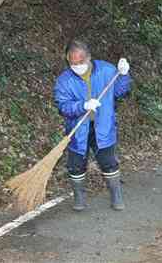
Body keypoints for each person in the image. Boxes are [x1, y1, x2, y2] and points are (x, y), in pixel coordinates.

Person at [53, 39, 131, 211]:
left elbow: (120, 92)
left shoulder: (106, 70)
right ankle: (79, 199)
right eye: (72, 63)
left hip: (102, 127)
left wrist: (124, 75)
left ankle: (116, 197)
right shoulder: (64, 81)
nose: (77, 66)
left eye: (80, 62)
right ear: (68, 60)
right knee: (75, 165)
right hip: (78, 128)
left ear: (88, 58)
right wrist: (82, 105)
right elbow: (63, 107)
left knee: (108, 162)